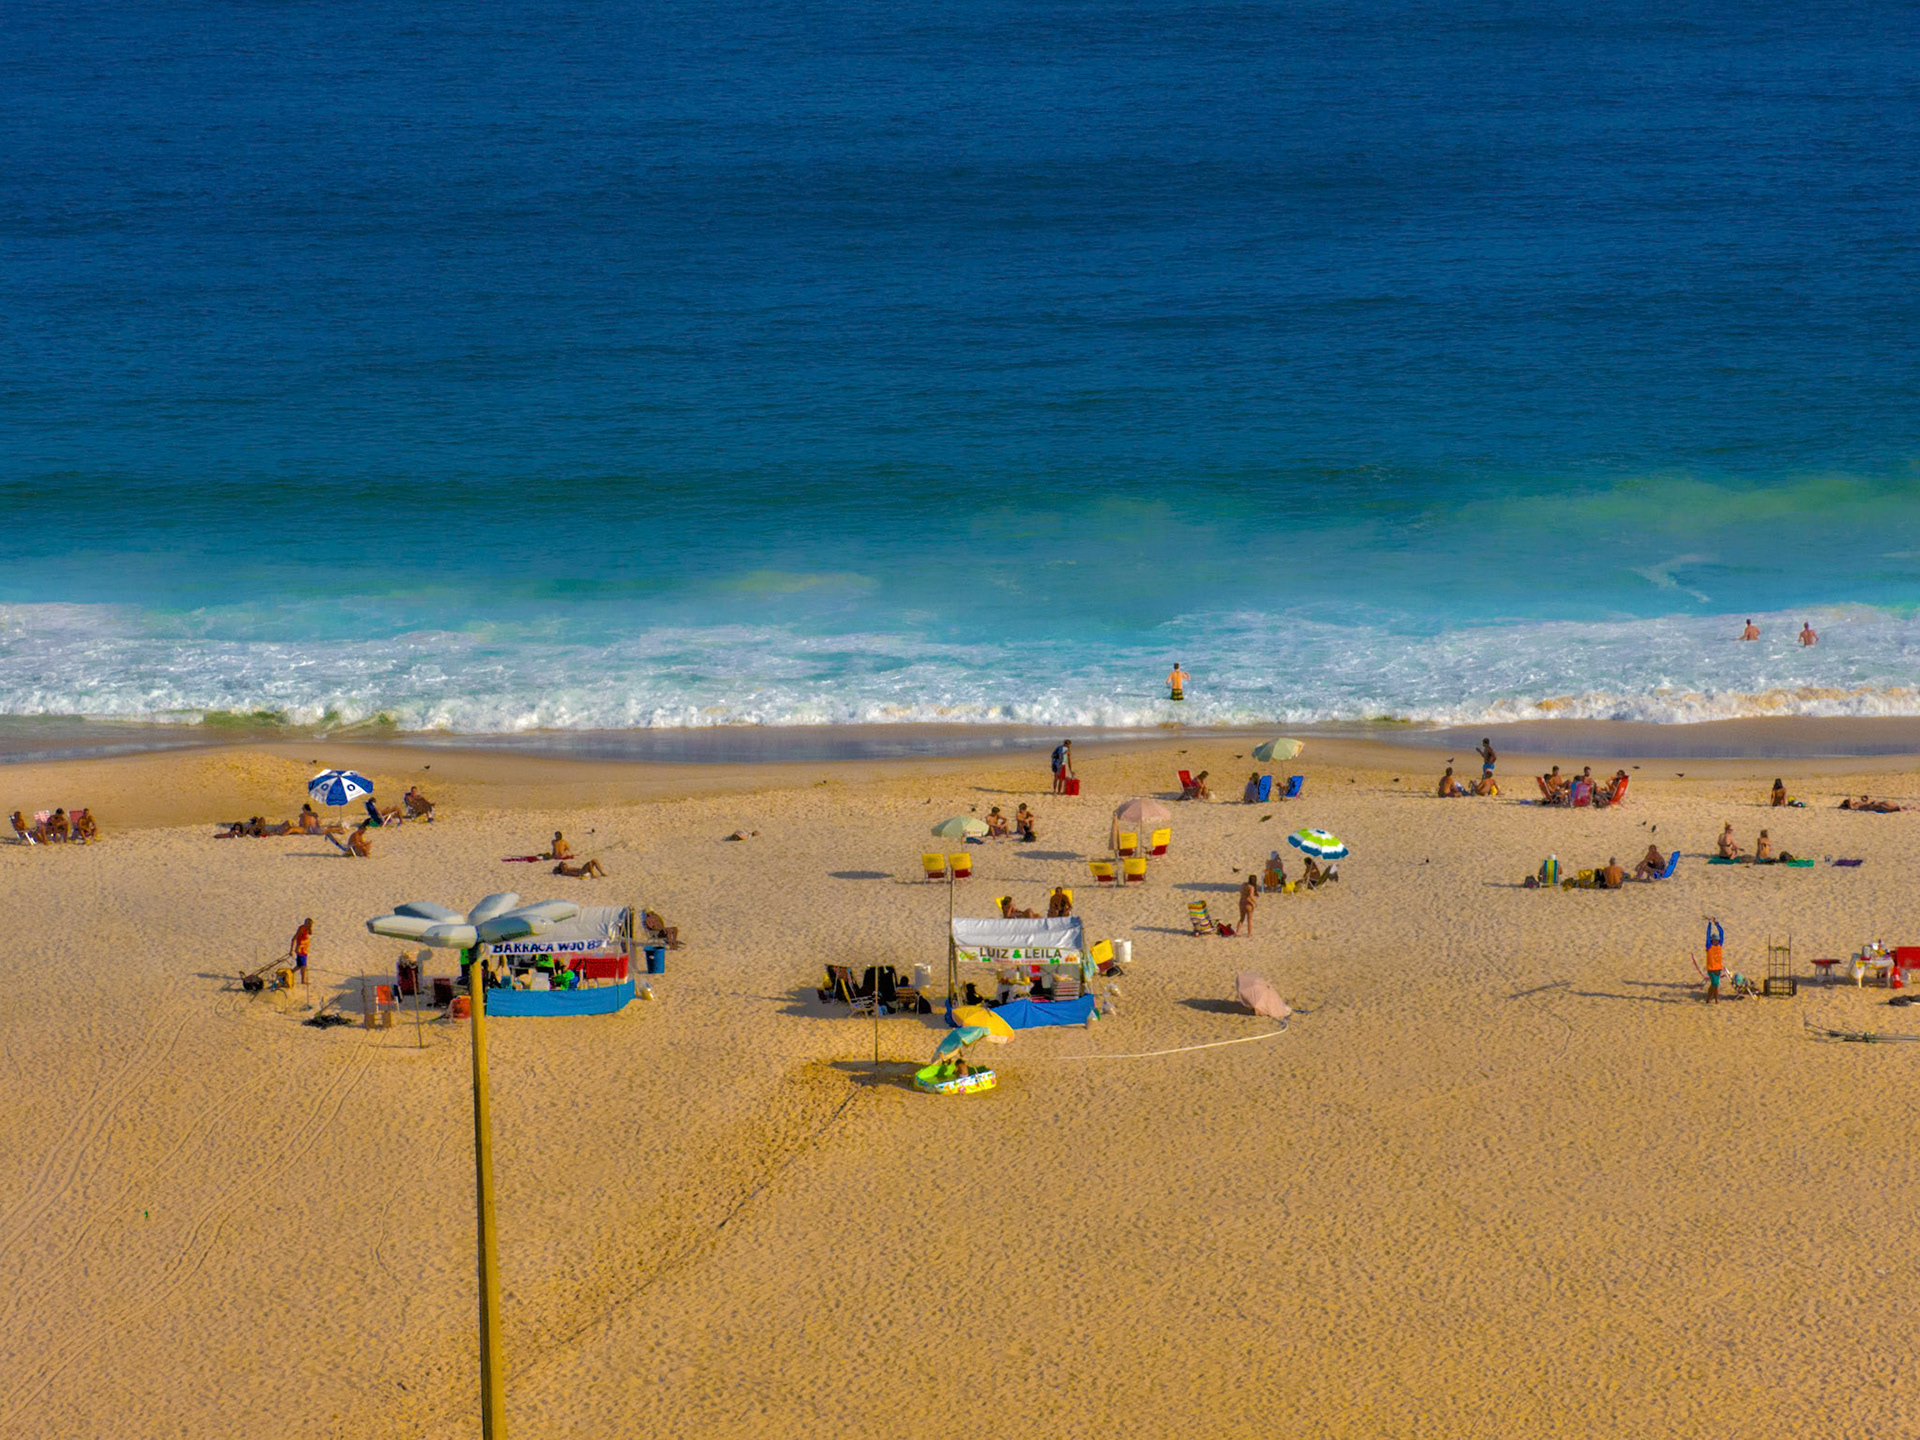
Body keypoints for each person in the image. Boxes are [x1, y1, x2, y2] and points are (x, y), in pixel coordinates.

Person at [1704, 919, 1726, 1002]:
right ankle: (1716, 1000)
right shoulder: (1709, 946)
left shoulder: (1720, 945)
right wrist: (1709, 924)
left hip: (1718, 969)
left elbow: (1722, 932)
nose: (1716, 941)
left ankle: (1708, 999)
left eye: (1717, 940)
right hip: (1711, 969)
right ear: (1712, 940)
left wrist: (1717, 923)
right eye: (1714, 940)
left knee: (1714, 985)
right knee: (1715, 984)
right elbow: (1707, 934)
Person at [290, 918, 313, 990]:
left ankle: (290, 973)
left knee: (299, 965)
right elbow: (293, 939)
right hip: (300, 950)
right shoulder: (301, 929)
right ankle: (303, 980)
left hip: (304, 950)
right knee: (303, 965)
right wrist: (291, 950)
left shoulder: (306, 929)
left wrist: (309, 928)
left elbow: (310, 933)